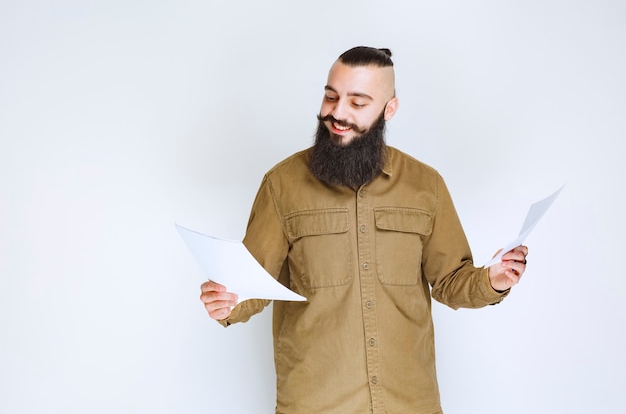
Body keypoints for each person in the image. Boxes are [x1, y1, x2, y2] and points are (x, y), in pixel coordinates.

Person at [200, 46, 528, 414]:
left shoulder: (426, 185)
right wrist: (227, 303)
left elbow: (451, 282)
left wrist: (494, 279)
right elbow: (251, 284)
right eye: (330, 96)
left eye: (357, 103)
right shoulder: (282, 184)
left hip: (409, 402)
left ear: (390, 109)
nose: (338, 114)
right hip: (316, 402)